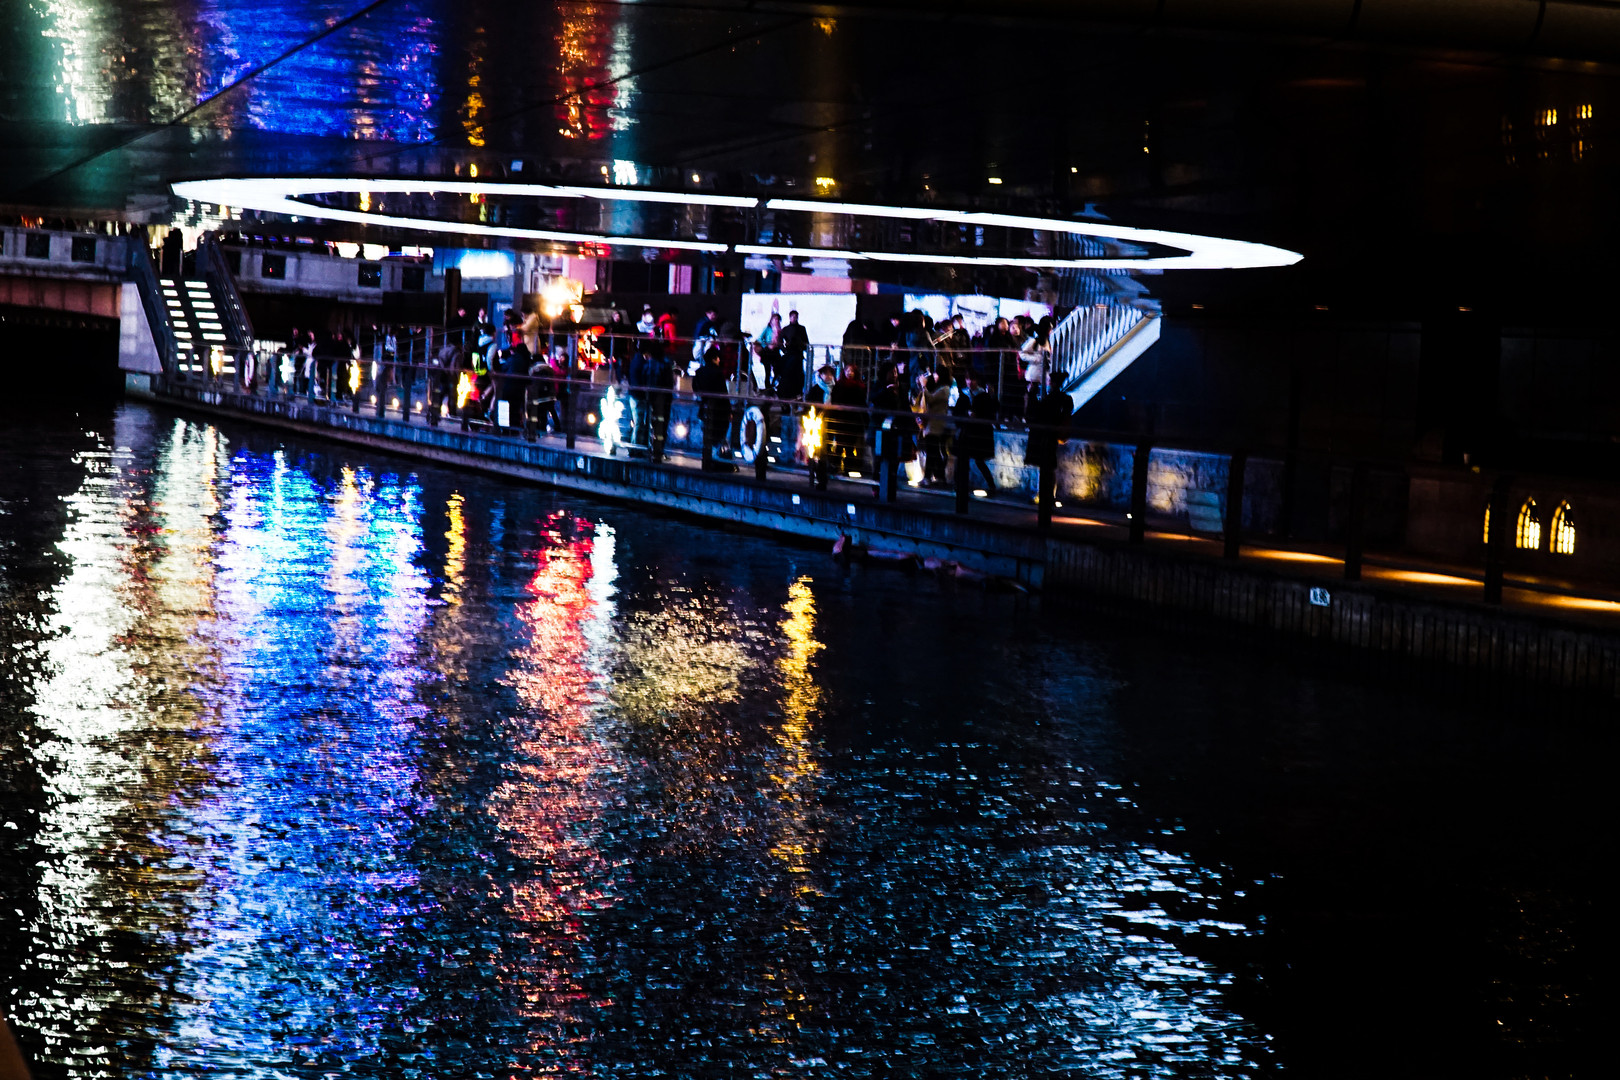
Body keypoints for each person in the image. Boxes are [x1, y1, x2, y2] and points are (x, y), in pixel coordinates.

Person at [1024, 369, 1072, 508]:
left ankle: (1044, 496)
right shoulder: (1064, 399)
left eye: (1050, 381)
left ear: (1053, 383)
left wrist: (1031, 395)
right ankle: (1049, 496)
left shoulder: (1051, 399)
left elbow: (1035, 414)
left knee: (1045, 466)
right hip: (1053, 435)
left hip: (1045, 436)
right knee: (1049, 466)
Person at [691, 346, 735, 470]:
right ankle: (716, 461)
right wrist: (729, 411)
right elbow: (723, 393)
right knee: (719, 436)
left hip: (704, 408)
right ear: (714, 359)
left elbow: (696, 389)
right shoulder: (718, 373)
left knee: (707, 436)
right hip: (718, 410)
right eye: (718, 358)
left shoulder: (699, 372)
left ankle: (707, 461)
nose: (719, 360)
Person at [957, 373, 1000, 493]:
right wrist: (966, 414)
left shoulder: (983, 395)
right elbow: (957, 412)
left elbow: (992, 410)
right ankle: (961, 484)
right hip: (968, 431)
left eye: (972, 379)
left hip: (979, 432)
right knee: (965, 459)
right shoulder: (964, 395)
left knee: (978, 459)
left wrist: (992, 396)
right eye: (968, 379)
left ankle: (990, 485)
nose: (970, 382)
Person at [916, 367, 955, 486]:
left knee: (932, 451)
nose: (934, 376)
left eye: (936, 374)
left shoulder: (945, 389)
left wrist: (924, 386)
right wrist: (921, 386)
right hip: (932, 424)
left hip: (936, 425)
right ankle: (940, 476)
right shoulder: (939, 388)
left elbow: (930, 399)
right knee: (934, 452)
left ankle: (928, 477)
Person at [777, 309, 810, 398]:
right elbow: (780, 341)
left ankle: (797, 392)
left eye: (795, 317)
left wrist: (803, 347)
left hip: (798, 353)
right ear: (790, 317)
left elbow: (806, 342)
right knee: (789, 373)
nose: (794, 318)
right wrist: (784, 350)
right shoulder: (786, 329)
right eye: (793, 317)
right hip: (789, 353)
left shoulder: (801, 328)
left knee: (798, 374)